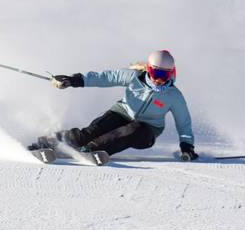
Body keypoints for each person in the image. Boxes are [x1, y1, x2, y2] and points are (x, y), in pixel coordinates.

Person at [46, 50, 199, 161]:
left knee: (131, 130)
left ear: (171, 73)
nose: (160, 80)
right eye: (156, 74)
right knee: (90, 132)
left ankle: (92, 149)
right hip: (122, 112)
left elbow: (183, 123)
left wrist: (187, 146)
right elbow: (105, 78)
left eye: (164, 75)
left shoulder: (174, 96)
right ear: (149, 69)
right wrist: (74, 80)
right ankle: (53, 141)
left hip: (147, 130)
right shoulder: (134, 77)